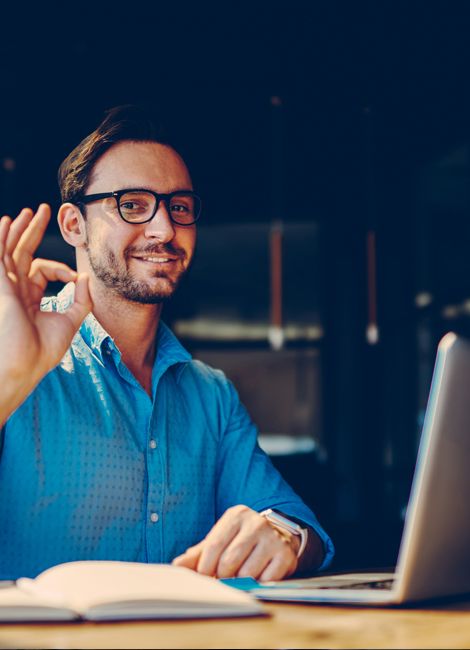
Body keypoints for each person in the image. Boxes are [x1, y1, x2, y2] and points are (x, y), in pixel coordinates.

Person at [0, 105, 334, 581]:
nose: (164, 229)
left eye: (178, 207)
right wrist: (8, 377)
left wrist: (283, 535)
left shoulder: (211, 395)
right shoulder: (12, 355)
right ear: (74, 225)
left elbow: (303, 527)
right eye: (131, 204)